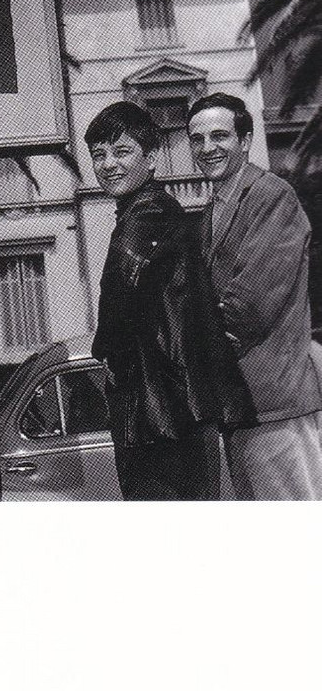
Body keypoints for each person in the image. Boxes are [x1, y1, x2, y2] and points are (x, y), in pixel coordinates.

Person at [86, 102, 255, 500]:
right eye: (99, 154)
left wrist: (105, 354)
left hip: (161, 413)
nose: (109, 164)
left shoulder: (147, 215)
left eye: (122, 151)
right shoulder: (155, 211)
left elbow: (116, 300)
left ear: (151, 159)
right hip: (179, 408)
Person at [186, 92, 322, 499]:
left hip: (276, 398)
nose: (207, 148)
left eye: (219, 136)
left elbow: (252, 302)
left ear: (244, 141)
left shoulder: (271, 195)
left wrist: (198, 344)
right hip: (241, 403)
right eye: (197, 139)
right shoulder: (212, 211)